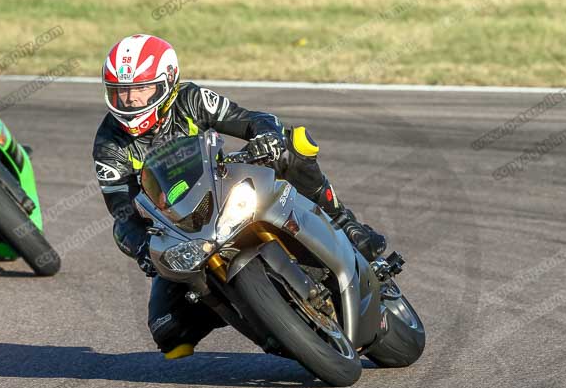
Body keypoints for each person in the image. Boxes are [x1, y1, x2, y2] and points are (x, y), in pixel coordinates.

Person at [93, 34, 386, 359]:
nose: (131, 100)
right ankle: (260, 319)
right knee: (169, 332)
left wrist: (267, 138)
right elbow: (122, 215)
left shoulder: (190, 99)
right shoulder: (109, 145)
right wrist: (142, 250)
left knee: (293, 145)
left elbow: (252, 120)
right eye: (121, 93)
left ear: (168, 83)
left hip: (223, 188)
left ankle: (344, 222)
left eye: (141, 89)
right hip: (183, 229)